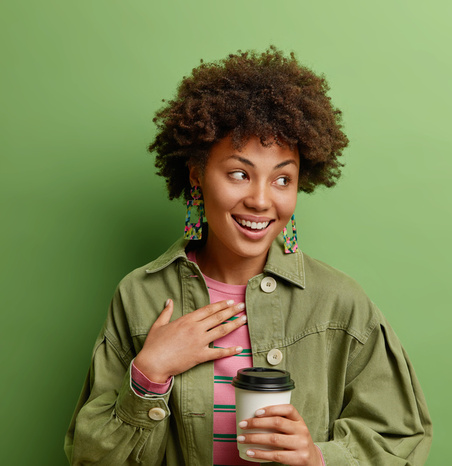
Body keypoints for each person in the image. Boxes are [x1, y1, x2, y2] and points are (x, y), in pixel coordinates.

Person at [65, 47, 432, 466]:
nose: (260, 200)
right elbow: (89, 458)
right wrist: (149, 375)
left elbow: (400, 439)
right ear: (197, 175)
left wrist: (316, 457)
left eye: (282, 179)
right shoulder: (140, 296)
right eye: (239, 174)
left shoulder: (339, 301)